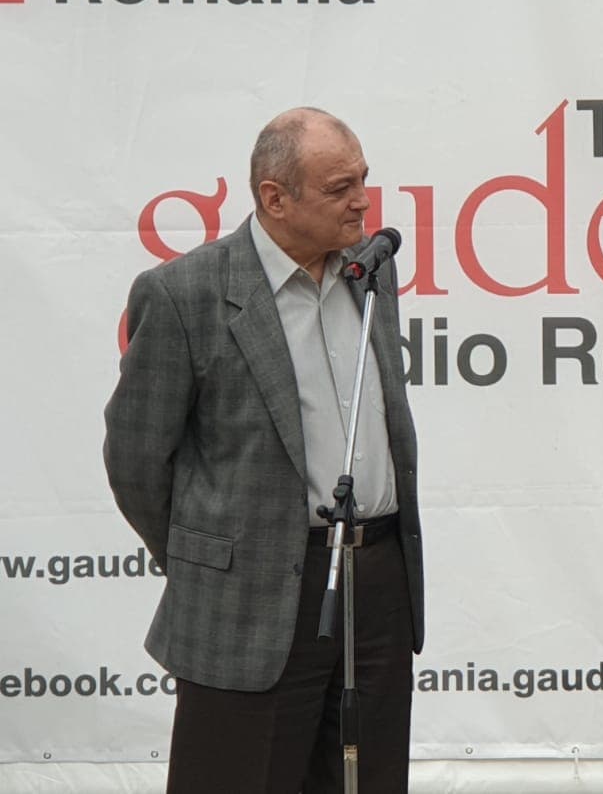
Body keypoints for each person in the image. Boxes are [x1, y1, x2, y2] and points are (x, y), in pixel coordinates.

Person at [103, 108, 423, 793]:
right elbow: (136, 460)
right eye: (340, 187)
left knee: (368, 779)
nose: (363, 201)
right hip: (249, 597)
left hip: (376, 584)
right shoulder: (186, 293)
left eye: (363, 180)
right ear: (276, 198)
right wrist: (213, 556)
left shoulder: (372, 273)